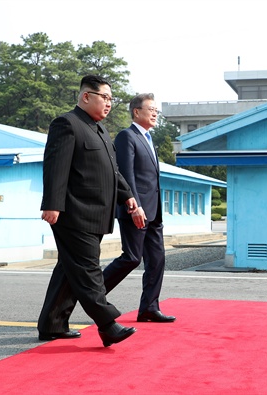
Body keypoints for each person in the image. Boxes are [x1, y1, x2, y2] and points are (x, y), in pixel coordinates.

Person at [38, 75, 141, 347]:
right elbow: (55, 166)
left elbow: (113, 171)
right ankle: (107, 324)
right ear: (86, 97)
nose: (108, 104)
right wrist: (52, 204)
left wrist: (127, 195)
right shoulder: (67, 124)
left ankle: (52, 324)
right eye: (104, 97)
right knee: (87, 269)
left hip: (97, 214)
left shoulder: (101, 130)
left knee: (69, 269)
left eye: (111, 99)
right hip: (74, 212)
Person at [102, 93, 176, 323]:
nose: (155, 113)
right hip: (136, 209)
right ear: (136, 112)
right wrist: (134, 205)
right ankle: (91, 294)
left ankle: (149, 308)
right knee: (132, 258)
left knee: (157, 259)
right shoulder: (127, 136)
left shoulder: (149, 139)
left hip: (154, 212)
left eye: (156, 110)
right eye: (151, 109)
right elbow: (125, 174)